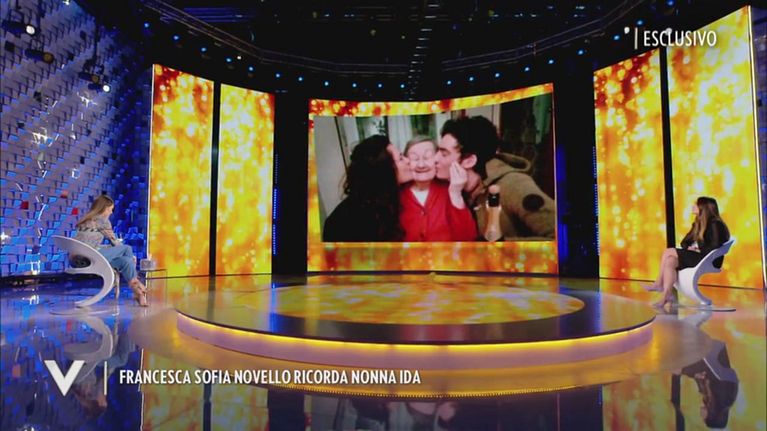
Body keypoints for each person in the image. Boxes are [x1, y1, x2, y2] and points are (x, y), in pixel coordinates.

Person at [435, 115, 556, 239]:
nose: (435, 158)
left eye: (444, 154)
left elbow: (558, 236)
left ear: (469, 161)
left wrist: (496, 246)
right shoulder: (451, 188)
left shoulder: (512, 184)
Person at [323, 135, 411, 242]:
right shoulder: (349, 221)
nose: (408, 160)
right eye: (401, 158)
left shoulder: (390, 198)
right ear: (385, 170)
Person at [648, 196, 730, 308]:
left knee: (668, 251)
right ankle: (666, 295)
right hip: (700, 256)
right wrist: (692, 246)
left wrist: (698, 249)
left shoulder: (715, 224)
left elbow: (715, 246)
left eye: (695, 204)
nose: (693, 206)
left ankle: (658, 283)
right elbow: (684, 243)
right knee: (670, 261)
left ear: (703, 208)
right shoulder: (698, 223)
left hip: (709, 259)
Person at [399, 136, 477, 242]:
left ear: (436, 160)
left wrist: (456, 195)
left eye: (427, 158)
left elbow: (468, 239)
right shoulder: (397, 195)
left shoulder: (451, 190)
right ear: (407, 162)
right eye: (415, 159)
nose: (421, 165)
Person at [75, 194, 147, 306]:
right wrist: (129, 255)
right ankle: (137, 289)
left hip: (79, 259)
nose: (111, 212)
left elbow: (88, 243)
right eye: (110, 209)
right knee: (127, 249)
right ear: (103, 209)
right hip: (90, 257)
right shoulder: (102, 221)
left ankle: (138, 291)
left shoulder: (85, 220)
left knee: (125, 261)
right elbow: (115, 242)